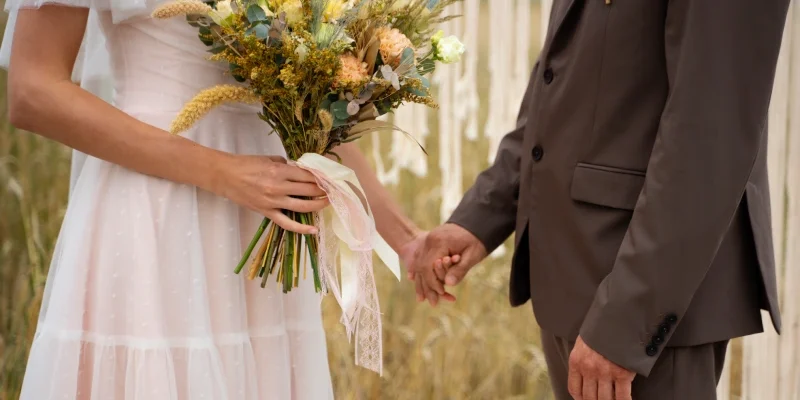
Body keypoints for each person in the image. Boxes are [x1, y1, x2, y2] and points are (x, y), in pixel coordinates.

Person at [0, 1, 427, 398]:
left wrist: (406, 239)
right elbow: (33, 90)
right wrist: (223, 172)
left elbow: (313, 116)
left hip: (262, 225)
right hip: (156, 209)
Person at [410, 0, 789, 399]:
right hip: (575, 282)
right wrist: (479, 218)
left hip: (645, 312)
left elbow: (708, 143)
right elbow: (561, 81)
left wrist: (627, 322)